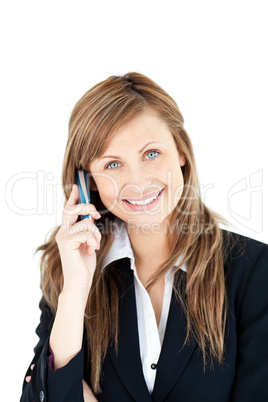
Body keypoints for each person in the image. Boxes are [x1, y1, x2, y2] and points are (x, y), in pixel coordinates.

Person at [20, 72, 268, 402]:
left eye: (151, 154)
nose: (137, 181)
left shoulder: (253, 270)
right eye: (112, 165)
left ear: (180, 151)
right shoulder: (67, 271)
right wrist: (75, 291)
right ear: (87, 180)